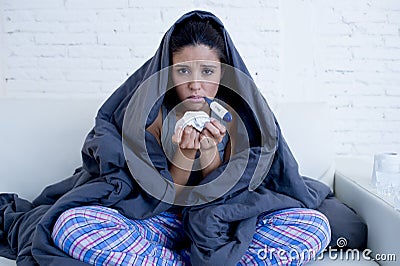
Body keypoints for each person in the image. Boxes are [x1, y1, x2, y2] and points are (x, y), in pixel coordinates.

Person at [0, 10, 366, 266]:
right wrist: (182, 161)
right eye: (183, 70)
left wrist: (212, 161)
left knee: (314, 226)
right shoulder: (149, 113)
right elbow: (151, 194)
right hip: (155, 225)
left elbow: (236, 196)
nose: (194, 82)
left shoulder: (238, 115)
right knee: (71, 226)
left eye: (207, 70)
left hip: (223, 227)